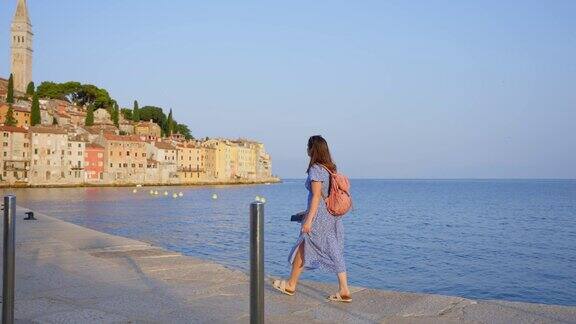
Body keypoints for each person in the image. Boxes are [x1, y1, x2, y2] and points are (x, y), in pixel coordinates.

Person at [273, 135, 351, 303]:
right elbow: (324, 197)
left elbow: (316, 196)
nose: (306, 150)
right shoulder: (330, 169)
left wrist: (309, 220)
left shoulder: (316, 169)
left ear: (312, 149)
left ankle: (291, 284)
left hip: (319, 218)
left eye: (308, 147)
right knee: (333, 249)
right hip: (331, 216)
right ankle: (344, 289)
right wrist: (307, 212)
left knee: (303, 245)